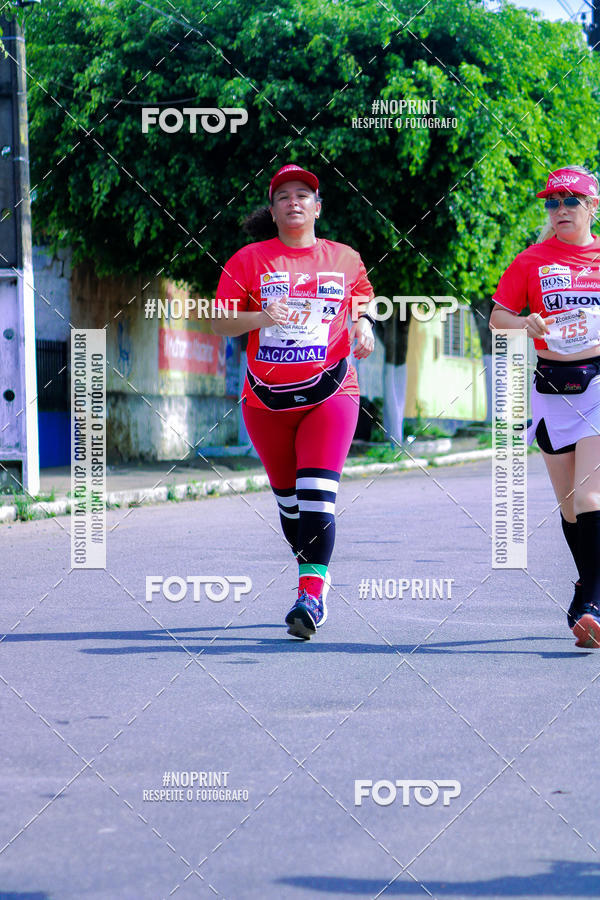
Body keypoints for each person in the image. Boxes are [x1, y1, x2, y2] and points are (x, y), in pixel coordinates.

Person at [212, 164, 376, 639]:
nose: (293, 202)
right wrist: (261, 317)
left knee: (316, 496)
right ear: (273, 209)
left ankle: (310, 596)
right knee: (290, 506)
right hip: (266, 403)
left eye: (303, 194)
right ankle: (314, 573)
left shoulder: (344, 258)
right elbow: (220, 321)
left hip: (331, 393)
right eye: (283, 195)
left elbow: (363, 298)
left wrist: (364, 324)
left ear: (317, 207)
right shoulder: (248, 260)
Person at [489, 165, 600, 649]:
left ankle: (594, 604)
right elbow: (498, 317)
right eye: (552, 203)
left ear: (592, 206)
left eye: (570, 201)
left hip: (598, 382)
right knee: (569, 508)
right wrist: (525, 324)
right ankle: (586, 584)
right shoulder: (531, 260)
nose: (560, 210)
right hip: (551, 387)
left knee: (590, 498)